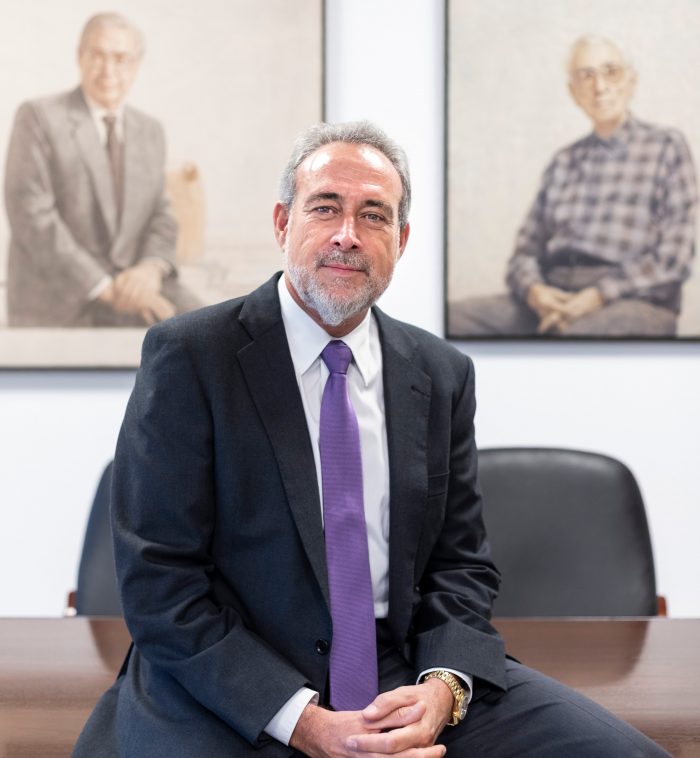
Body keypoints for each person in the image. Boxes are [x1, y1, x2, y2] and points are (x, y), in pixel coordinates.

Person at [73, 121, 669, 757]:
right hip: (231, 676)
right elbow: (159, 581)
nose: (346, 235)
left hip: (398, 669)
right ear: (282, 223)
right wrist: (302, 719)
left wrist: (443, 687)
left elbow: (460, 563)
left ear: (401, 240)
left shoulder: (439, 374)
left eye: (374, 215)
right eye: (325, 207)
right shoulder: (192, 357)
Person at [449, 35, 698, 337]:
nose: (600, 87)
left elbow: (675, 257)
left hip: (632, 301)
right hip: (552, 295)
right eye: (586, 76)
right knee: (451, 319)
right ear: (573, 92)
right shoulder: (563, 161)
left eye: (611, 72)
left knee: (570, 338)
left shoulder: (667, 146)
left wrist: (598, 294)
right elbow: (524, 253)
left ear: (632, 80)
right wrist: (535, 291)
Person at [4, 12, 200, 327]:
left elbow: (161, 216)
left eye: (120, 58)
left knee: (222, 336)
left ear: (136, 64)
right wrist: (110, 289)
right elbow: (32, 218)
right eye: (97, 56)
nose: (108, 70)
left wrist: (150, 269)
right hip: (61, 299)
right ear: (79, 57)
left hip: (136, 287)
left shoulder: (150, 131)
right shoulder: (38, 118)